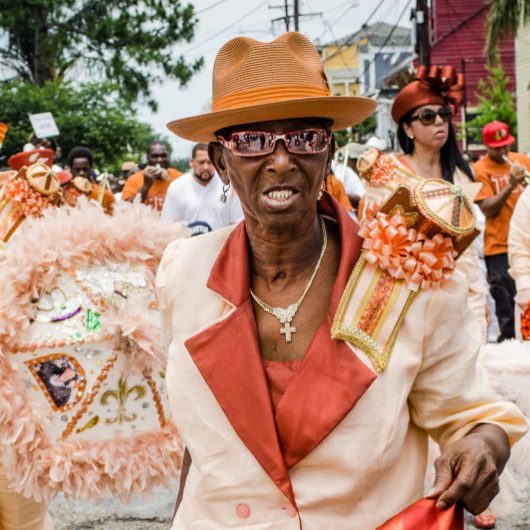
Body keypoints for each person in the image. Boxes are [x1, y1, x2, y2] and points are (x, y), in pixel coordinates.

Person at [156, 33, 527, 529]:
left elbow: (474, 418)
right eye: (253, 140)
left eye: (305, 137)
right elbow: (200, 445)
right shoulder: (183, 273)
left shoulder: (407, 277)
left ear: (328, 153)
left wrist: (481, 448)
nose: (283, 159)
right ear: (221, 162)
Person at [358, 65, 488, 343]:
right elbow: (369, 241)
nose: (439, 122)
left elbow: (468, 256)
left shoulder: (461, 174)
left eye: (444, 114)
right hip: (403, 303)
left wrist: (478, 303)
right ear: (408, 128)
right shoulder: (388, 172)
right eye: (427, 117)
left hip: (458, 299)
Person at [474, 122, 530, 341]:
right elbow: (487, 208)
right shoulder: (480, 169)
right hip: (498, 247)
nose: (503, 152)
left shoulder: (523, 160)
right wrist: (510, 185)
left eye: (506, 146)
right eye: (497, 148)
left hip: (525, 244)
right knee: (506, 307)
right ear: (487, 146)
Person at [161, 143, 242, 235]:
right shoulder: (177, 187)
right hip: (188, 247)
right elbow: (168, 227)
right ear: (191, 162)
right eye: (201, 162)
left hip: (222, 246)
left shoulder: (229, 186)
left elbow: (238, 224)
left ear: (216, 162)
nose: (206, 167)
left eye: (209, 162)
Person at [121, 141, 181, 211]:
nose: (160, 159)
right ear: (147, 157)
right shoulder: (134, 179)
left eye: (163, 156)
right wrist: (145, 187)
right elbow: (125, 210)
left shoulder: (179, 178)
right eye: (154, 156)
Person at [64, 147, 115, 214]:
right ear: (71, 169)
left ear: (91, 168)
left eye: (85, 169)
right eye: (77, 169)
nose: (81, 173)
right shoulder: (63, 195)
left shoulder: (106, 195)